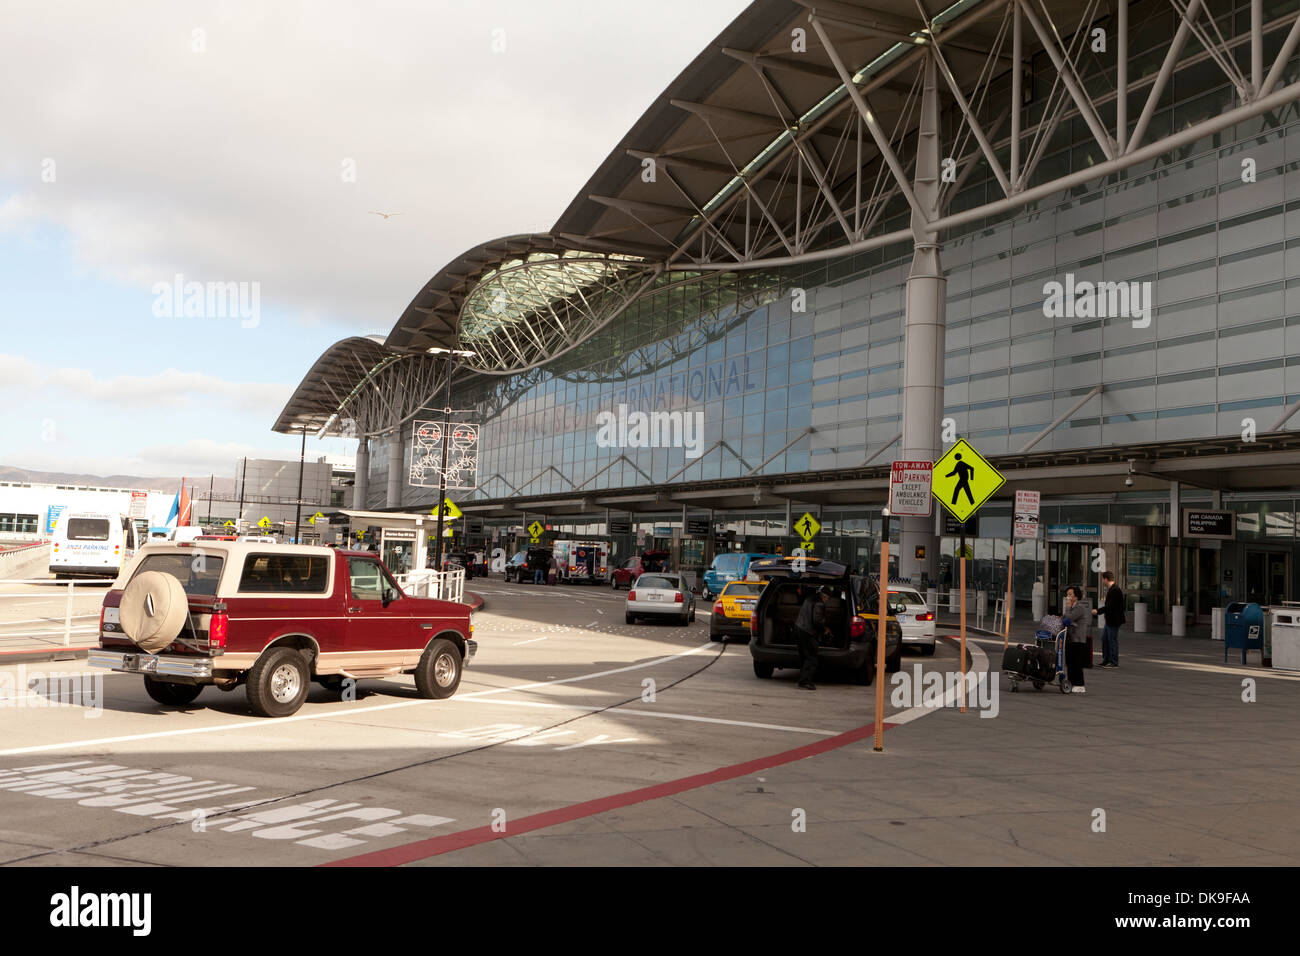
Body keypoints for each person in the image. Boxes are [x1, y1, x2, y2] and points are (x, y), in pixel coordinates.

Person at [792, 586, 831, 691]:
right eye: (828, 599)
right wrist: (825, 629)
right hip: (808, 632)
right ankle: (805, 682)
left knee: (803, 656)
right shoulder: (819, 603)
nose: (827, 601)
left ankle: (803, 677)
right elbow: (817, 621)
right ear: (825, 597)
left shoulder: (810, 598)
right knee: (811, 657)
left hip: (798, 628)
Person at [1092, 571, 1125, 667]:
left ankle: (1114, 661)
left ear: (1106, 579)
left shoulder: (1115, 590)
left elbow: (1110, 606)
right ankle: (1106, 659)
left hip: (1114, 620)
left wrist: (1098, 611)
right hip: (1110, 620)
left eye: (1103, 579)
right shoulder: (1112, 589)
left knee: (1112, 640)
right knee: (1105, 639)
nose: (1103, 581)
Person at [1063, 586, 1089, 693]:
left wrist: (1068, 607)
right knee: (1069, 662)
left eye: (1070, 595)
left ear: (1076, 596)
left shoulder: (1079, 607)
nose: (1068, 597)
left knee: (1076, 662)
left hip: (1077, 639)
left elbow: (1069, 618)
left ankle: (1079, 684)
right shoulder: (1071, 607)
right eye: (1067, 595)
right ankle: (1071, 681)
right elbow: (1064, 618)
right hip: (1069, 638)